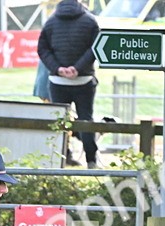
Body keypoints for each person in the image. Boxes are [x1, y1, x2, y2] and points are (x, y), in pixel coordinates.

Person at [37, 0, 99, 168]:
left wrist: (58, 69)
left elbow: (42, 49)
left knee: (59, 121)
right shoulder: (90, 21)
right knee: (86, 120)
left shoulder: (50, 21)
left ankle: (58, 161)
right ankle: (91, 161)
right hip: (84, 79)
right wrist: (77, 69)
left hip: (57, 81)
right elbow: (96, 48)